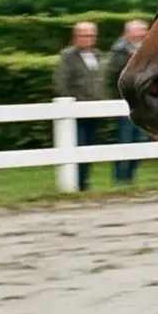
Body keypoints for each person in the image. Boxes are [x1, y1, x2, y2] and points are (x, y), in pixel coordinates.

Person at [53, 21, 110, 191]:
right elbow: (61, 84)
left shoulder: (98, 55)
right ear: (75, 37)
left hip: (95, 112)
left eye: (92, 35)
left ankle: (84, 182)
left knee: (89, 148)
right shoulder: (67, 56)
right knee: (78, 145)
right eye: (85, 35)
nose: (89, 39)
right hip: (77, 112)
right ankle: (75, 183)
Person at [104, 19, 149, 184]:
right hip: (125, 103)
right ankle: (121, 178)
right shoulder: (119, 52)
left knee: (140, 142)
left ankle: (129, 175)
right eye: (138, 31)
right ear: (128, 33)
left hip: (144, 104)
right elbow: (112, 77)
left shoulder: (149, 49)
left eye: (144, 30)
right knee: (126, 140)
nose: (142, 34)